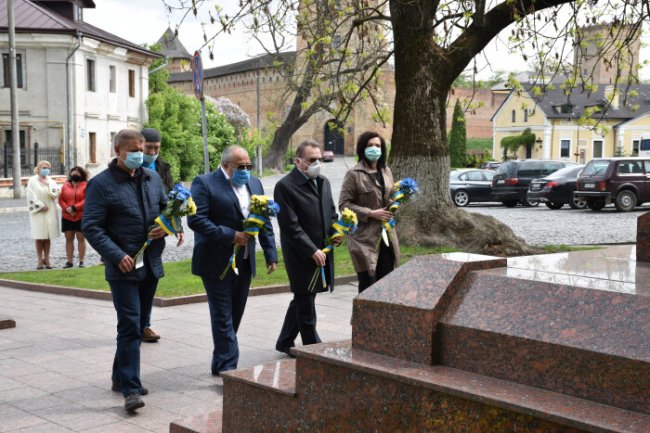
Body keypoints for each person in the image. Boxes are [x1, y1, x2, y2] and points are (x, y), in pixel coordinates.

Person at [82, 129, 182, 413]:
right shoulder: (101, 185)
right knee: (128, 326)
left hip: (150, 263)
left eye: (144, 148)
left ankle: (119, 376)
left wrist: (168, 227)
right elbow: (92, 226)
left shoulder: (151, 178)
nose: (142, 153)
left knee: (136, 326)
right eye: (135, 149)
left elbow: (167, 210)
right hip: (123, 268)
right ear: (118, 151)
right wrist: (115, 255)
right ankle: (131, 389)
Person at [188, 145, 277, 376]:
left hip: (245, 260)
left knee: (234, 314)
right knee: (222, 315)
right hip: (215, 261)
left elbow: (263, 219)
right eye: (241, 166)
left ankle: (220, 362)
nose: (246, 170)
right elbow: (196, 220)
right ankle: (229, 368)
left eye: (249, 166)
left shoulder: (255, 183)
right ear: (226, 165)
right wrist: (230, 235)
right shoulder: (204, 183)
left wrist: (270, 253)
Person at [274, 139, 339, 357]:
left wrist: (335, 232)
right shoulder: (284, 186)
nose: (317, 164)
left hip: (322, 251)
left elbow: (331, 212)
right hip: (300, 254)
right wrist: (311, 249)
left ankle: (284, 341)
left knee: (304, 297)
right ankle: (313, 347)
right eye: (312, 160)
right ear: (298, 161)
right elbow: (290, 226)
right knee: (305, 300)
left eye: (319, 159)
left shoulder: (323, 182)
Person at [339, 132, 400, 293]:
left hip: (386, 237)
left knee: (385, 284)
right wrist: (371, 213)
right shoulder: (354, 174)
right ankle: (364, 319)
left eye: (378, 146)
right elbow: (344, 205)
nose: (374, 149)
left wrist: (393, 203)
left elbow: (389, 196)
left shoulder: (386, 171)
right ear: (362, 148)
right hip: (364, 239)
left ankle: (382, 318)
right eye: (370, 145)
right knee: (368, 286)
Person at [139, 127, 174, 343]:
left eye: (156, 148)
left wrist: (172, 227)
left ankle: (145, 325)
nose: (152, 152)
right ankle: (133, 324)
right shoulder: (128, 167)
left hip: (156, 237)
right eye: (149, 147)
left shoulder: (163, 168)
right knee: (134, 282)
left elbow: (169, 202)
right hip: (132, 239)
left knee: (151, 279)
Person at [26, 160, 60, 270]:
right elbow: (30, 196)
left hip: (50, 210)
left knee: (47, 236)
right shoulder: (32, 181)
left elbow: (55, 193)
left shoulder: (51, 181)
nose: (46, 169)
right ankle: (40, 259)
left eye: (48, 167)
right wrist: (40, 206)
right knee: (39, 236)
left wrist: (49, 186)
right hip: (38, 212)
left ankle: (47, 258)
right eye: (44, 167)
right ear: (39, 168)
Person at [58, 166, 88, 268]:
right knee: (68, 238)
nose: (74, 175)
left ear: (82, 175)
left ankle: (82, 261)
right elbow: (61, 199)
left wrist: (75, 208)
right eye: (73, 173)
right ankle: (69, 261)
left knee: (81, 238)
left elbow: (87, 199)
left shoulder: (86, 185)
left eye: (77, 173)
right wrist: (67, 209)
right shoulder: (65, 185)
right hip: (67, 216)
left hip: (81, 216)